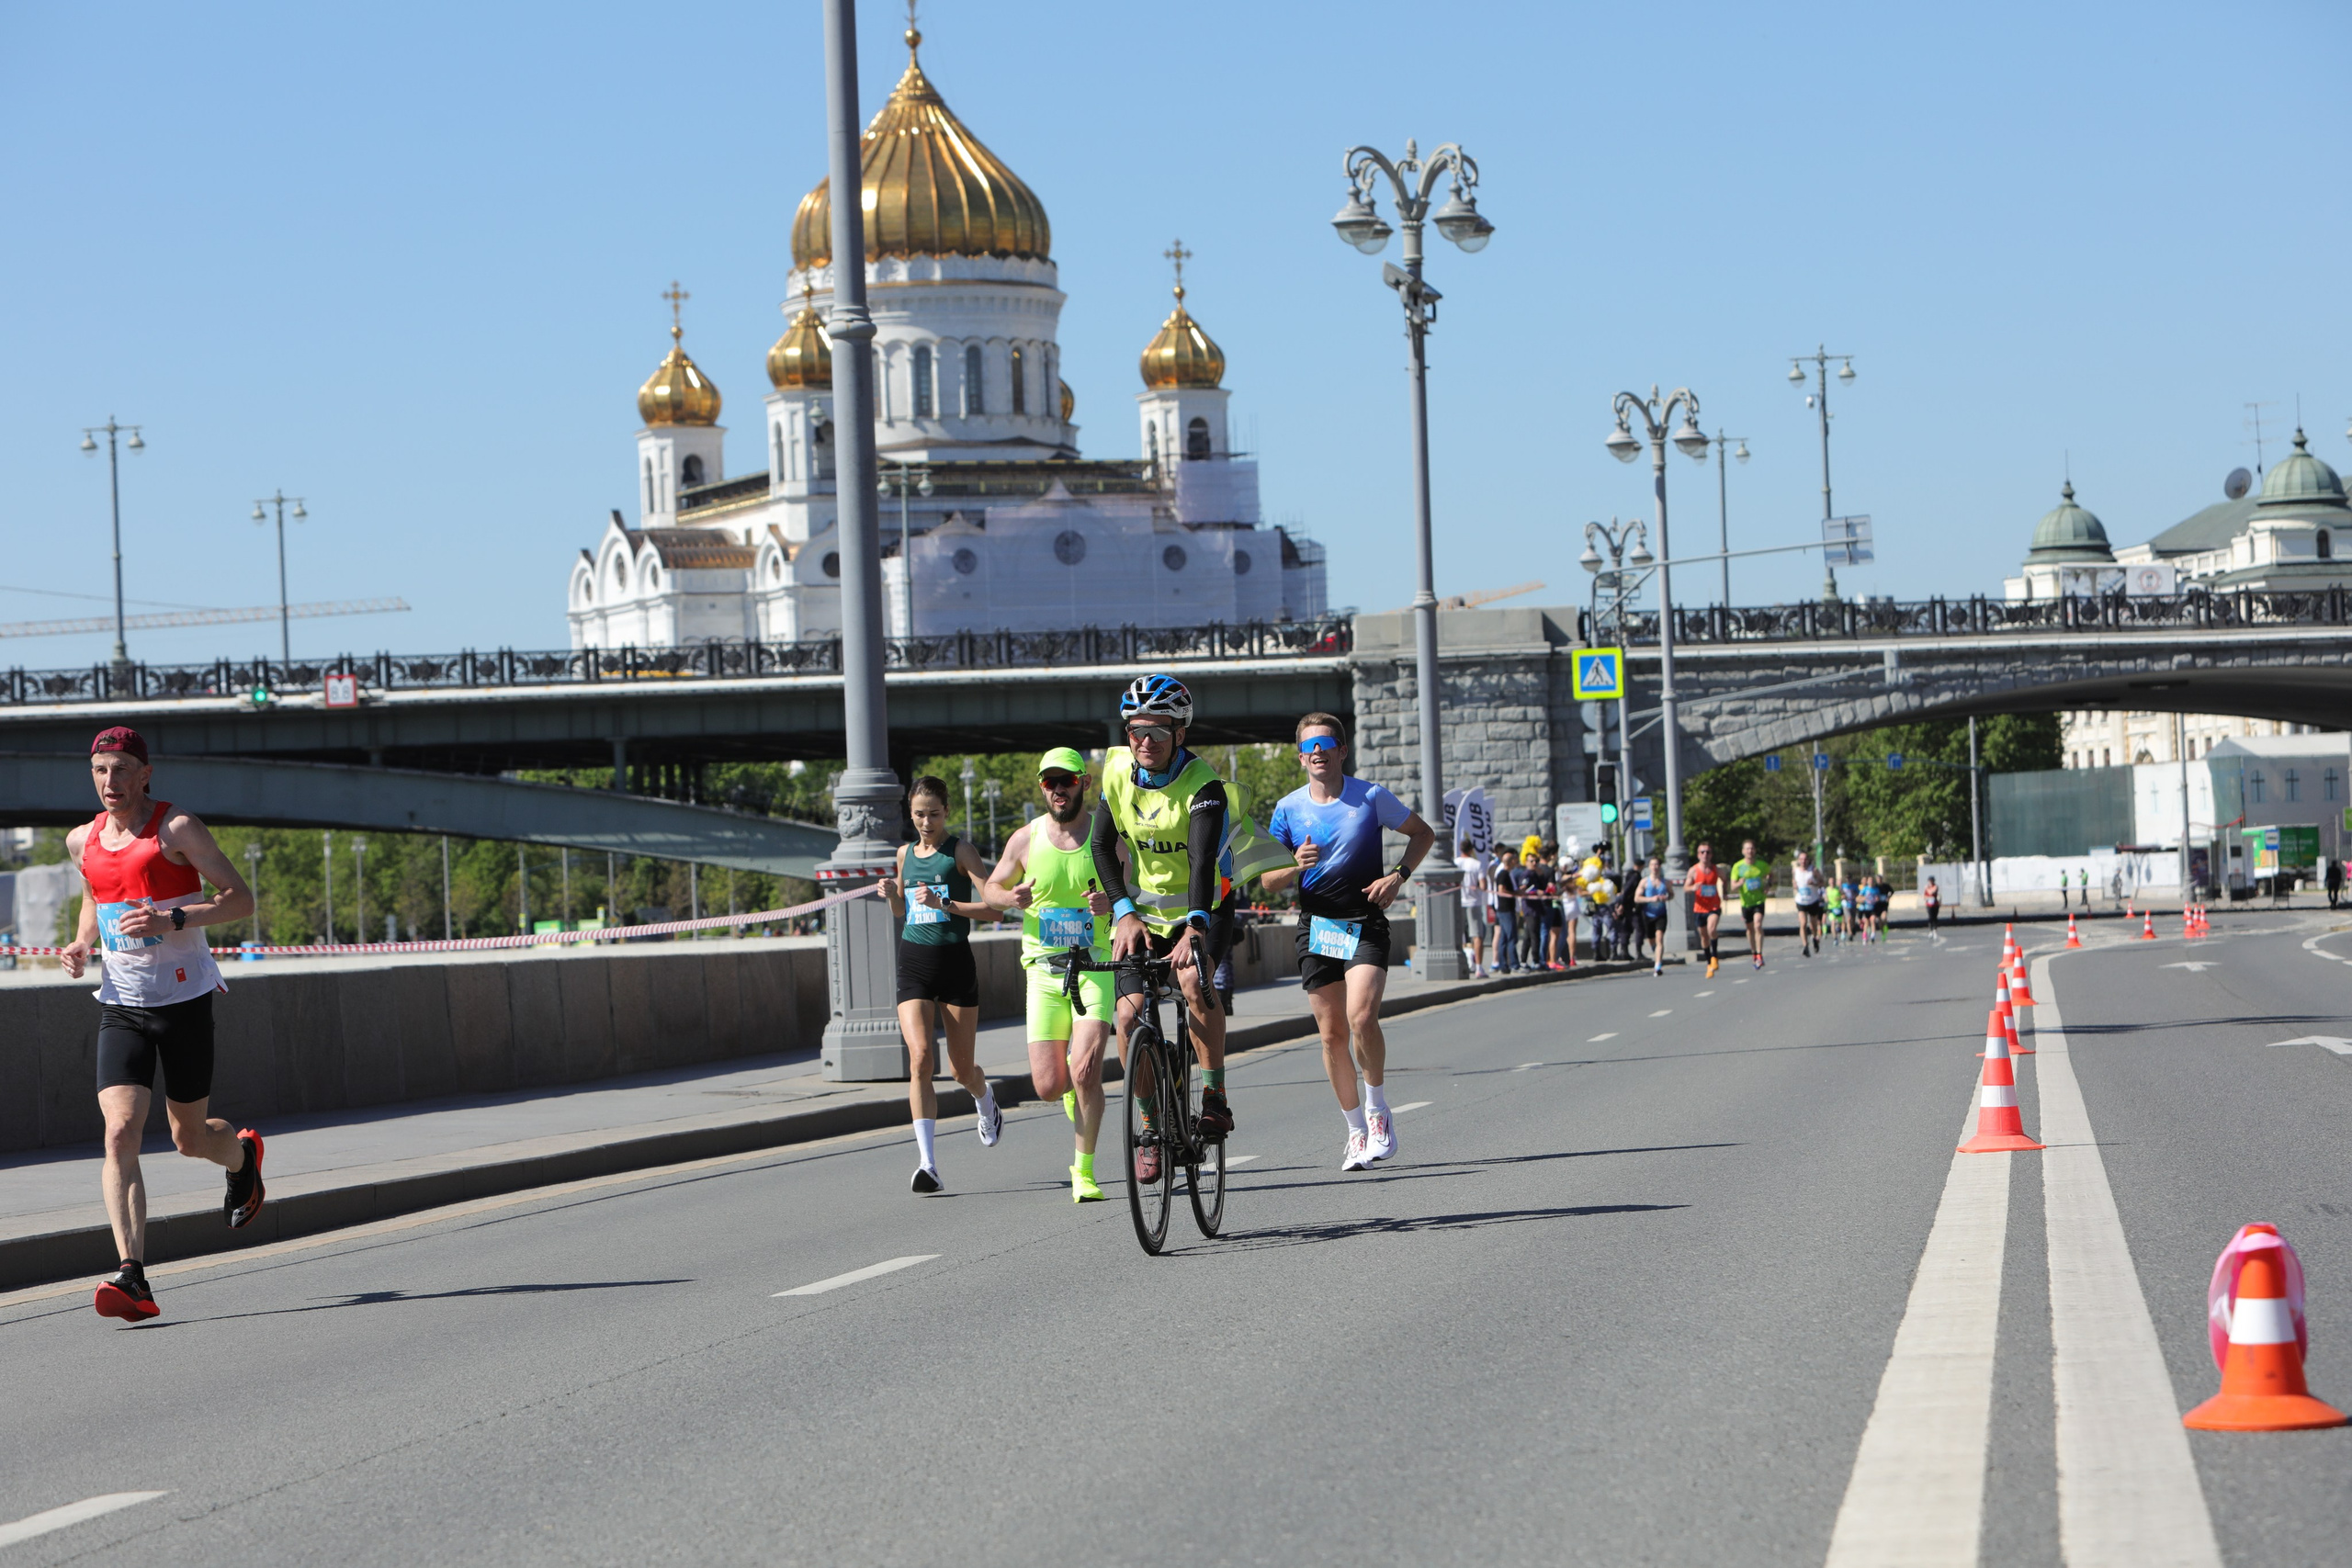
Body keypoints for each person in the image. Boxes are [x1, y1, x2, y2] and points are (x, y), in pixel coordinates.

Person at [61, 728, 261, 1323]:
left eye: (121, 769)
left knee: (188, 1138)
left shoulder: (177, 829)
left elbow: (240, 898)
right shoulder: (82, 839)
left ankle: (242, 1159)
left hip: (183, 1000)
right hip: (121, 1002)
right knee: (119, 1131)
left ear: (145, 773)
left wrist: (173, 915)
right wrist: (79, 940)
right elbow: (97, 897)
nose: (109, 782)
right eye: (100, 770)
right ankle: (133, 1275)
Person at [1261, 714, 1437, 1171]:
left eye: (1326, 744)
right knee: (1332, 1034)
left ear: (1342, 751)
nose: (1317, 752)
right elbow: (1266, 880)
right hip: (1317, 927)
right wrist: (1296, 865)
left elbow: (1423, 834)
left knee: (1361, 1018)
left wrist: (1398, 876)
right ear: (1301, 757)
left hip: (1364, 922)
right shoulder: (1288, 809)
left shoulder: (1371, 797)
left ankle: (1377, 1109)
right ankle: (1356, 1130)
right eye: (1308, 747)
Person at [1092, 675, 1245, 1175]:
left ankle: (1215, 1095)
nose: (1145, 742)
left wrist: (1195, 928)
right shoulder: (1117, 771)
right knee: (1126, 1015)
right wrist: (1123, 911)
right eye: (1136, 730)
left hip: (1205, 907)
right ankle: (1152, 1128)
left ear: (1180, 733)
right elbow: (1100, 847)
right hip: (1145, 910)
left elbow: (1202, 861)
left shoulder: (1203, 785)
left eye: (1158, 730)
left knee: (1192, 981)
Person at [983, 750, 1119, 1202]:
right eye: (1049, 783)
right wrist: (1010, 897)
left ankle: (1084, 1171)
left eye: (1066, 781)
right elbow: (990, 886)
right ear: (1042, 788)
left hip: (1095, 964)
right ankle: (1068, 1093)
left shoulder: (1105, 833)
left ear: (1084, 782)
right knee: (1048, 1086)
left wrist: (1112, 903)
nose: (1058, 790)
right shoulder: (1024, 839)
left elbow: (1135, 885)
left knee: (1084, 1070)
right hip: (1043, 970)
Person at [878, 775, 1001, 1194]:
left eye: (933, 813)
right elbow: (901, 912)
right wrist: (892, 893)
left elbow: (994, 909)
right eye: (918, 815)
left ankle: (984, 1099)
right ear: (909, 816)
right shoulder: (904, 853)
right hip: (913, 963)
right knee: (920, 1059)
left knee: (960, 1070)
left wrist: (944, 903)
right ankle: (927, 1164)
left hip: (954, 965)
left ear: (946, 811)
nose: (926, 822)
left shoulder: (960, 851)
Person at [1729, 840, 1770, 970]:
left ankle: (1759, 954)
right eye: (1747, 849)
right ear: (1743, 851)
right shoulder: (1738, 867)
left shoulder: (1761, 865)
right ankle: (1753, 952)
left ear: (1755, 850)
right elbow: (1732, 887)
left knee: (1758, 924)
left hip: (1759, 900)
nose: (1750, 851)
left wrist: (1767, 885)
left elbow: (1770, 875)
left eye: (1752, 848)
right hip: (1746, 902)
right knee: (1750, 929)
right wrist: (1739, 884)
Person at [1688, 842, 1724, 977]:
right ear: (1698, 855)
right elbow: (1686, 887)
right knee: (1704, 937)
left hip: (1714, 906)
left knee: (1711, 930)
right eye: (1702, 852)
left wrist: (1725, 892)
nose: (1705, 855)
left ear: (1711, 855)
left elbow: (1725, 879)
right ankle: (1709, 964)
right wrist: (1692, 888)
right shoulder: (1693, 870)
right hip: (1699, 908)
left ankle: (1715, 957)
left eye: (1708, 852)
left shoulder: (1716, 869)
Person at [1454, 837, 1489, 977]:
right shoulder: (1476, 864)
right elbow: (1484, 886)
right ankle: (1479, 968)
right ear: (1471, 850)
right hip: (1473, 901)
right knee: (1477, 935)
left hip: (1458, 901)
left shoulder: (1455, 863)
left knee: (1459, 935)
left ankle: (1466, 962)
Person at [1636, 856, 1671, 975]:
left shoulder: (1665, 882)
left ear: (1660, 867)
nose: (1655, 867)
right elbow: (1637, 898)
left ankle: (1658, 966)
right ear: (1649, 867)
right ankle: (1655, 951)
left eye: (1657, 865)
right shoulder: (1645, 882)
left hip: (1661, 914)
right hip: (1648, 914)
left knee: (1659, 938)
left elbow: (1671, 894)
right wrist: (1651, 899)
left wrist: (1666, 898)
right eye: (1652, 865)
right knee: (1651, 939)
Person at [1490, 850, 1521, 976]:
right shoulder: (1503, 874)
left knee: (1504, 937)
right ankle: (1514, 964)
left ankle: (1504, 965)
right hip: (1505, 909)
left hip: (1505, 909)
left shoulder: (1507, 873)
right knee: (1510, 937)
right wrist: (1515, 893)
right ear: (1511, 862)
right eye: (1514, 860)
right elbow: (1502, 890)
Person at [1792, 849, 1826, 956]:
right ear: (1798, 860)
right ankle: (1805, 946)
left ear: (1808, 860)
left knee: (1813, 924)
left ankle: (1815, 937)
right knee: (1802, 923)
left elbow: (1822, 882)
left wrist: (1814, 883)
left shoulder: (1813, 870)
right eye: (1801, 859)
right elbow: (1794, 881)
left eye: (1805, 859)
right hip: (1801, 900)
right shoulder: (1795, 870)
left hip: (1812, 900)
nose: (1803, 861)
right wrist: (1795, 885)